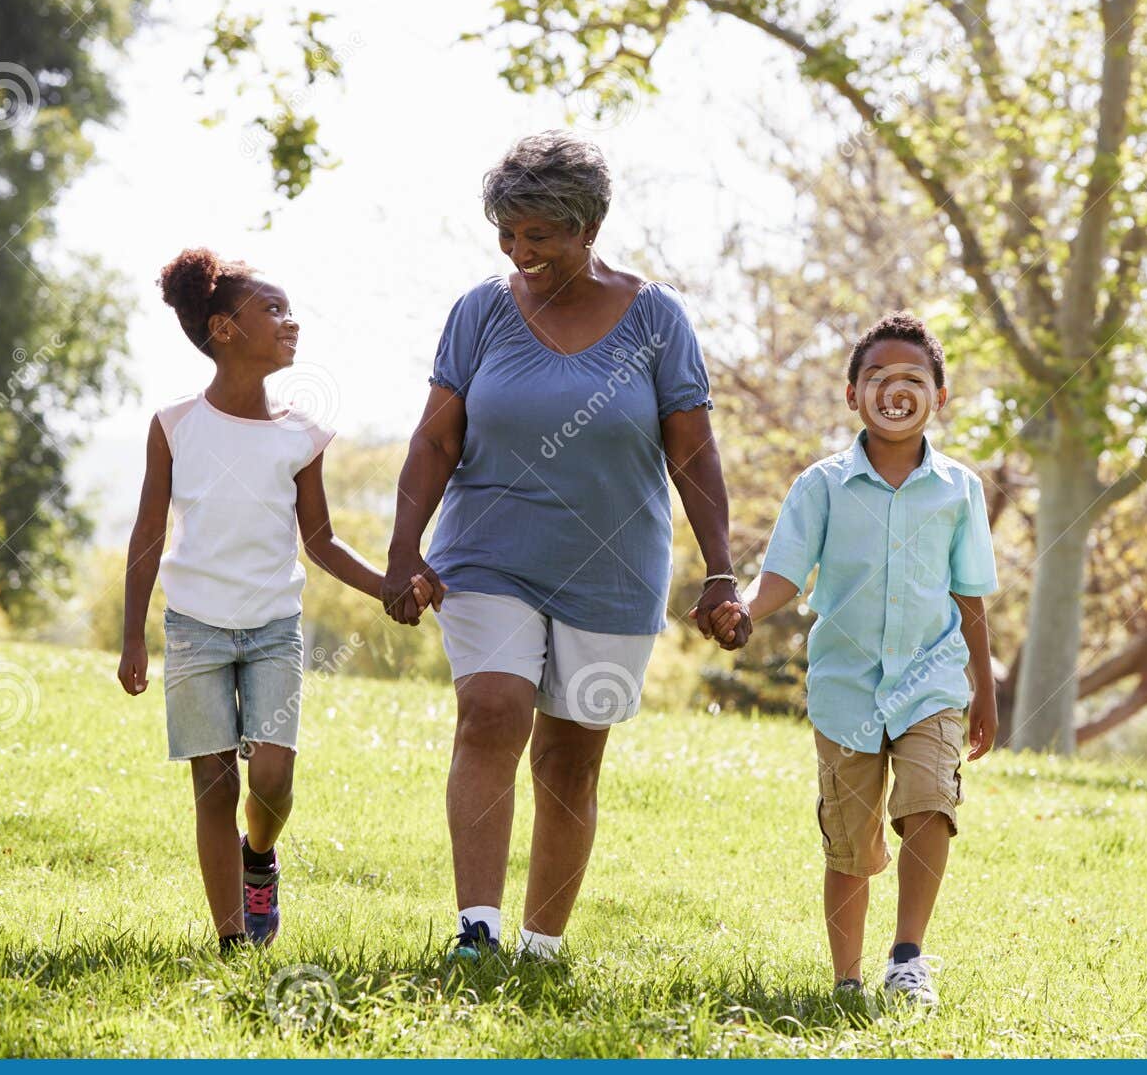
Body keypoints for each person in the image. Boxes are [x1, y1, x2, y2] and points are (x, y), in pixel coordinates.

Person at [381, 131, 748, 962]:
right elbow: (435, 441)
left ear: (587, 227)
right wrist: (405, 549)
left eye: (537, 234)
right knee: (491, 712)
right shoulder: (480, 311)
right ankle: (476, 930)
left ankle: (541, 945)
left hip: (613, 570)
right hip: (487, 553)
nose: (519, 251)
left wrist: (720, 569)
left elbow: (692, 450)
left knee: (570, 760)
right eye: (507, 234)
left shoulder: (658, 319)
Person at [118, 248, 435, 954]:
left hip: (271, 630)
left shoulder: (302, 434)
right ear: (225, 329)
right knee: (212, 784)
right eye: (274, 309)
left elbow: (318, 541)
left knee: (271, 776)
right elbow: (147, 533)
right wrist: (134, 635)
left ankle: (259, 855)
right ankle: (233, 938)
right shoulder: (173, 425)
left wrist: (387, 584)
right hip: (195, 629)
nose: (291, 322)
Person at [704, 312, 998, 1006]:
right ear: (851, 394)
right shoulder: (823, 485)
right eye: (878, 377)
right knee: (851, 842)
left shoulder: (960, 490)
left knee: (931, 803)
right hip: (846, 688)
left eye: (913, 379)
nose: (895, 391)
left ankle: (906, 957)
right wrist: (744, 607)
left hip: (933, 678)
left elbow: (971, 595)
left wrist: (983, 690)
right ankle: (846, 980)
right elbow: (783, 574)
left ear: (939, 396)